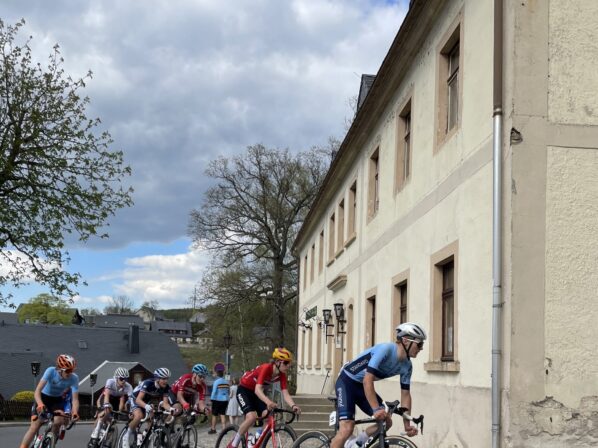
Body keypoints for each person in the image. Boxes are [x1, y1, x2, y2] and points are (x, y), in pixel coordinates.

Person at [330, 322, 426, 448]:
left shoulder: (407, 366)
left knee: (386, 422)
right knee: (347, 428)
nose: (421, 348)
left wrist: (406, 424)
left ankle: (356, 444)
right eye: (419, 344)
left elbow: (405, 394)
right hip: (346, 381)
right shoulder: (385, 349)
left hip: (361, 387)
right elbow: (367, 380)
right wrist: (376, 409)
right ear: (405, 340)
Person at [227, 348, 301, 448]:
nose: (288, 366)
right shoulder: (266, 368)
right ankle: (233, 444)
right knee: (252, 417)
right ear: (277, 362)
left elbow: (285, 393)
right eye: (286, 363)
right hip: (244, 390)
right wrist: (269, 402)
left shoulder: (282, 375)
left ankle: (255, 439)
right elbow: (258, 389)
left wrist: (293, 406)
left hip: (257, 394)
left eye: (289, 363)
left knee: (269, 415)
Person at [19, 354, 80, 448]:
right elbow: (37, 391)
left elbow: (75, 400)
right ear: (60, 369)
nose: (70, 373)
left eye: (72, 370)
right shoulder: (51, 371)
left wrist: (75, 412)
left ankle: (51, 442)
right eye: (68, 370)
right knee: (35, 426)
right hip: (43, 398)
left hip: (57, 401)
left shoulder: (74, 378)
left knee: (58, 421)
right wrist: (40, 404)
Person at [122, 367, 172, 448]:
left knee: (153, 419)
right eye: (163, 379)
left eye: (167, 379)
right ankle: (126, 436)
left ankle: (144, 435)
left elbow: (165, 404)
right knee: (139, 416)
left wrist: (171, 409)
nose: (166, 381)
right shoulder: (148, 383)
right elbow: (138, 400)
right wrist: (146, 406)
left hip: (147, 401)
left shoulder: (166, 387)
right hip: (135, 399)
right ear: (157, 378)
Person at [89, 367, 133, 444]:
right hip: (106, 397)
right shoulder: (110, 381)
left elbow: (130, 401)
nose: (124, 381)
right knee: (106, 411)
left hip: (116, 400)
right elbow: (107, 394)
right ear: (116, 378)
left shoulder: (128, 387)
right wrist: (106, 405)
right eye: (121, 379)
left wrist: (130, 411)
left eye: (126, 379)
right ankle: (97, 429)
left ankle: (106, 437)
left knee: (113, 420)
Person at [209, 362, 230, 433]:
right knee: (222, 414)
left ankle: (213, 429)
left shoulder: (216, 382)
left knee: (214, 415)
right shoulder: (226, 382)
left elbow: (214, 391)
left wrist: (211, 399)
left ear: (217, 374)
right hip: (225, 400)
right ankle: (224, 429)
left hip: (217, 400)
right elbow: (228, 391)